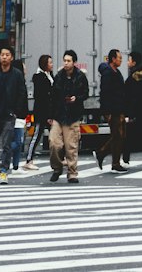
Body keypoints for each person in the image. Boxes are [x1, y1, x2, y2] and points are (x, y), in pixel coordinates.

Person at [0, 47, 28, 184]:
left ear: (11, 58)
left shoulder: (17, 74)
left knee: (7, 144)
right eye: (2, 54)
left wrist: (16, 110)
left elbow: (22, 93)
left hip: (9, 114)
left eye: (7, 55)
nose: (4, 57)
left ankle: (4, 171)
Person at [48, 48, 89, 183]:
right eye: (64, 60)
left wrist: (76, 98)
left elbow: (85, 93)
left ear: (74, 62)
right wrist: (51, 114)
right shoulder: (59, 76)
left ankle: (72, 173)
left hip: (73, 115)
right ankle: (57, 167)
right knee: (54, 142)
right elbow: (53, 96)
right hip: (59, 114)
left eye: (68, 61)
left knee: (71, 146)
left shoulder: (80, 77)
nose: (66, 63)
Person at [95, 48, 128, 172]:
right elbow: (105, 93)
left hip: (119, 108)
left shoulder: (116, 72)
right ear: (113, 59)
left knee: (120, 135)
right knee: (117, 135)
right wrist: (106, 111)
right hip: (112, 109)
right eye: (119, 58)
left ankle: (110, 158)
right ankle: (107, 157)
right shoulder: (108, 73)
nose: (121, 60)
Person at [24, 54, 54, 168]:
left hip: (49, 112)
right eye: (50, 63)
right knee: (37, 136)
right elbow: (42, 98)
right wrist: (48, 115)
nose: (52, 65)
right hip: (42, 112)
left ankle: (60, 158)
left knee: (56, 136)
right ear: (45, 64)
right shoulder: (39, 77)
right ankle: (28, 159)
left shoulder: (49, 75)